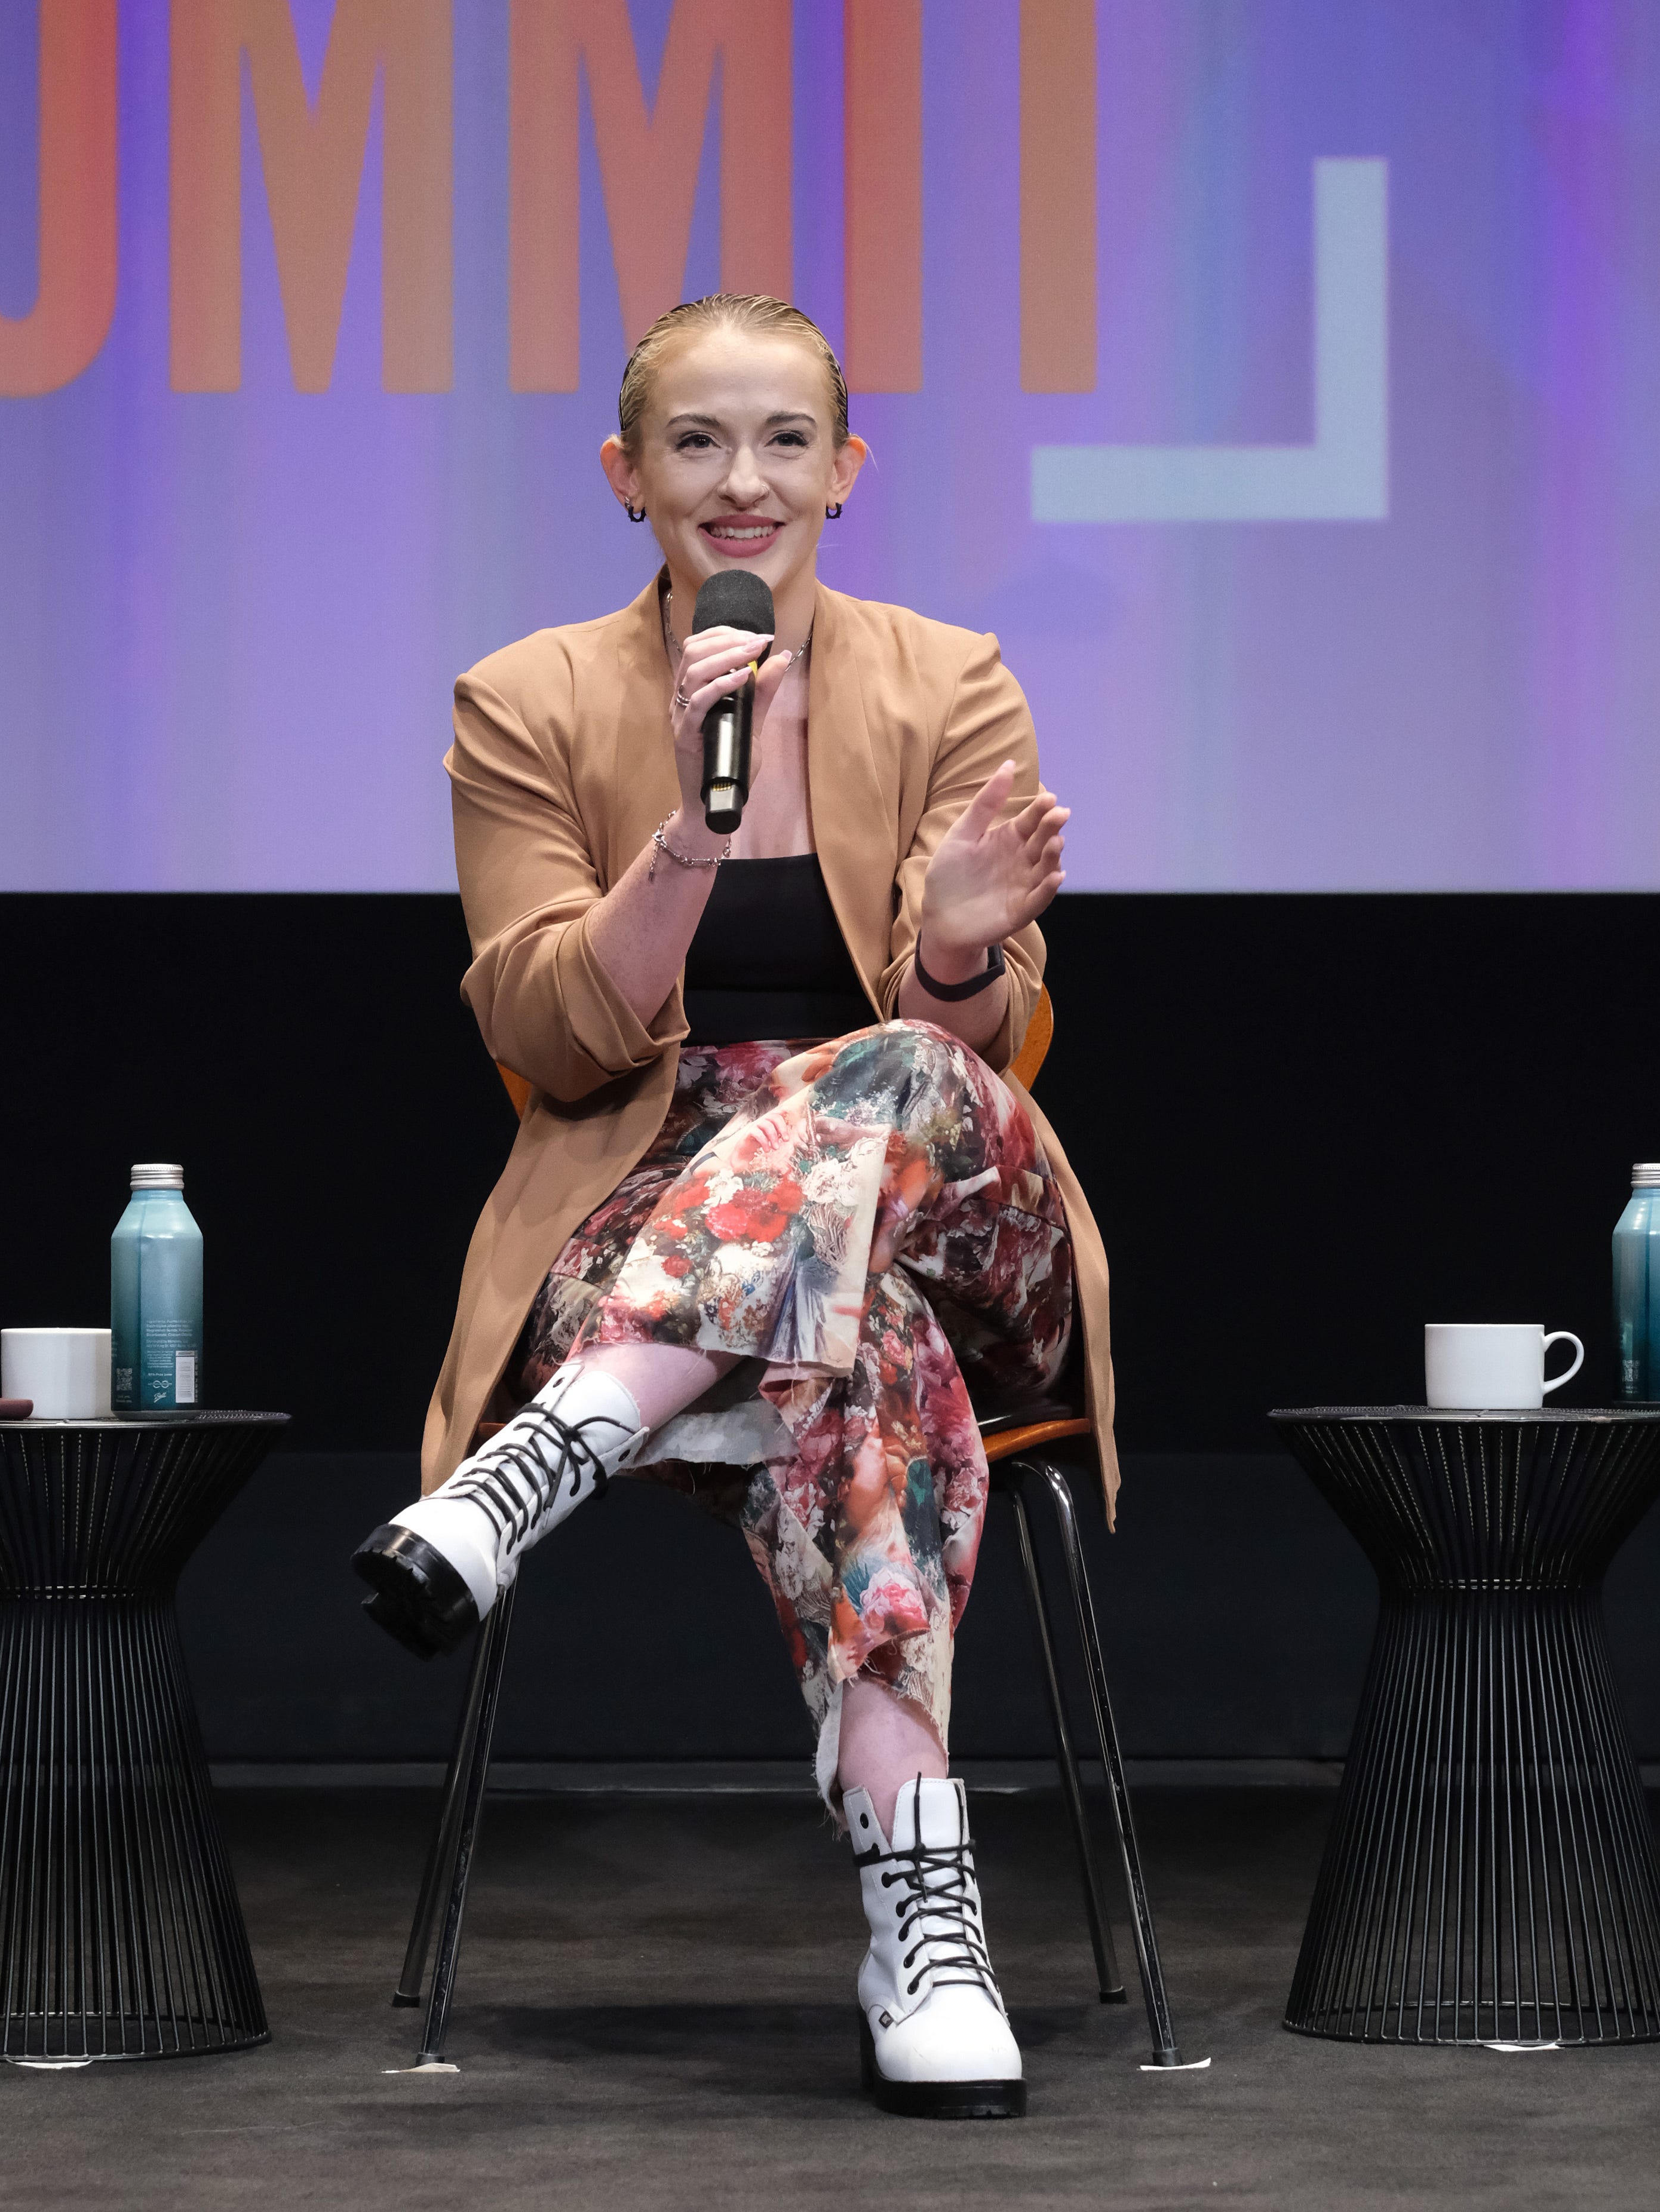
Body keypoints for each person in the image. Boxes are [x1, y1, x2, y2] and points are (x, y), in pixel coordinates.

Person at [353, 293, 1115, 2119]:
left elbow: (997, 1036)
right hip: (652, 1200)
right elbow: (543, 1027)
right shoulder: (525, 702)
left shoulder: (950, 678)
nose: (743, 480)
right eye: (696, 444)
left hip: (956, 1188)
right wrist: (693, 828)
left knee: (899, 1077)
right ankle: (923, 1912)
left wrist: (946, 949)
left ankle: (547, 1456)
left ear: (846, 474)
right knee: (864, 1362)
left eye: (786, 442)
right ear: (630, 478)